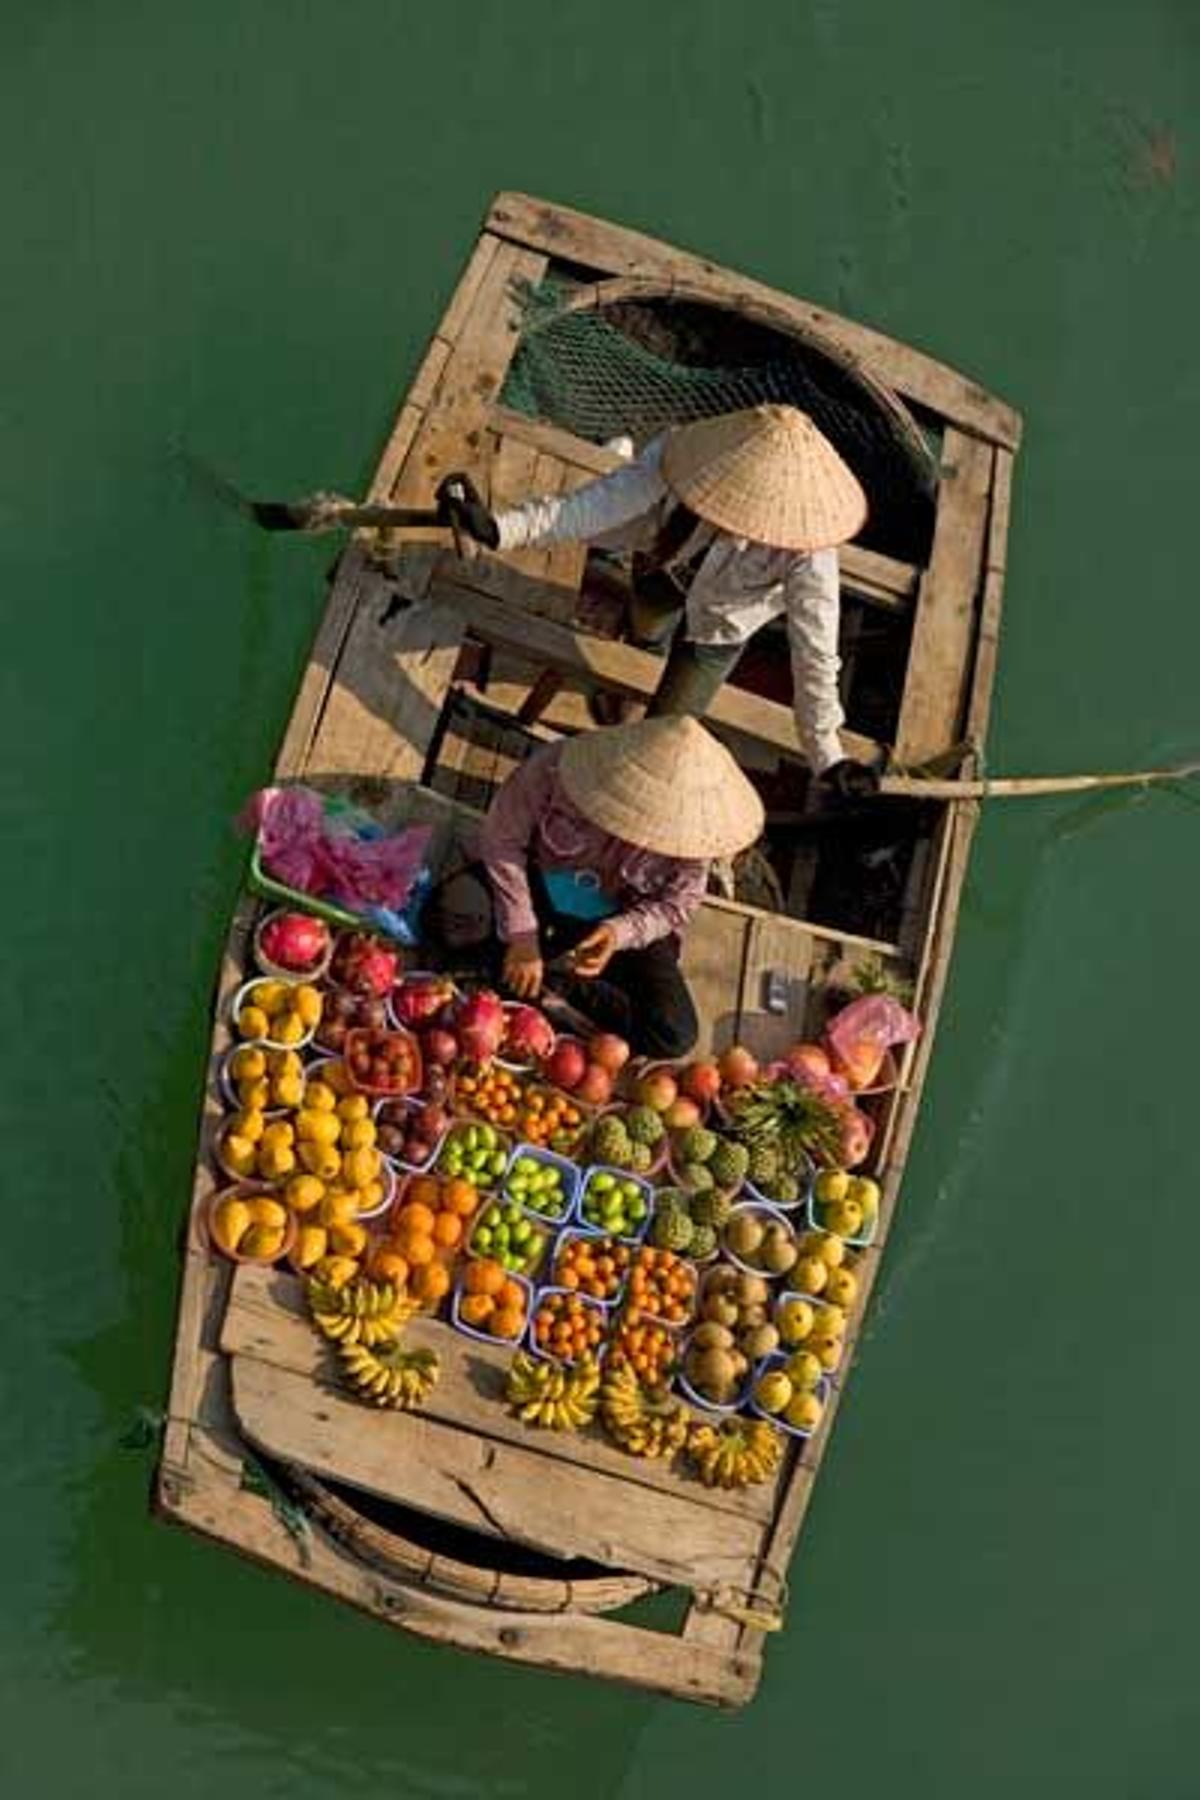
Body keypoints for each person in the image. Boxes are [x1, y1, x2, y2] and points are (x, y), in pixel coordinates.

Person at [441, 403, 879, 801]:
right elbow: (597, 504)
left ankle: (612, 791)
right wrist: (501, 529)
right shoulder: (680, 453)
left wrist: (828, 755)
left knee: (665, 735)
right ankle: (636, 662)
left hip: (721, 626)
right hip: (663, 570)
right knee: (646, 629)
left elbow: (816, 654)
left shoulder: (810, 551)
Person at [427, 715, 764, 1060]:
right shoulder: (556, 768)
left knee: (673, 1033)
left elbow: (674, 906)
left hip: (617, 920)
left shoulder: (694, 835)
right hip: (536, 890)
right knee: (444, 918)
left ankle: (554, 984)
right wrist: (522, 933)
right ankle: (532, 977)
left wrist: (618, 933)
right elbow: (502, 840)